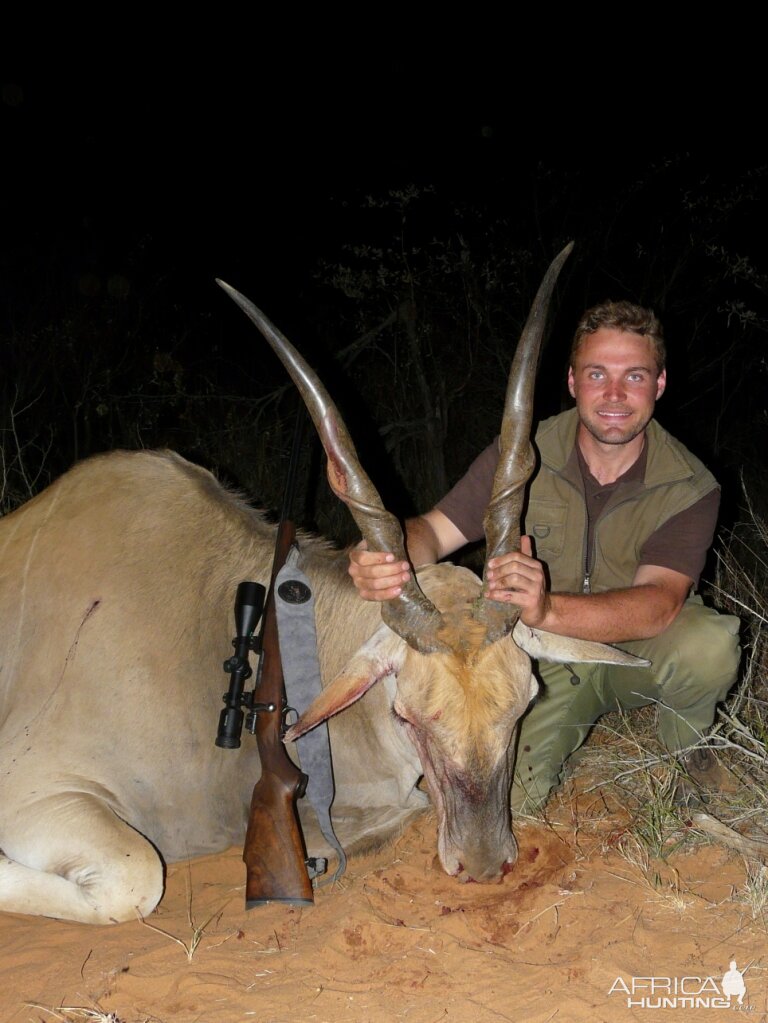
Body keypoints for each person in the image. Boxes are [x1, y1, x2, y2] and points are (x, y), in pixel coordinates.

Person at [348, 300, 741, 811]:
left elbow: (659, 605)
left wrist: (547, 608)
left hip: (634, 653)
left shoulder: (690, 483)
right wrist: (386, 555)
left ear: (659, 385)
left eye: (635, 376)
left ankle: (687, 749)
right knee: (514, 801)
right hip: (538, 654)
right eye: (597, 373)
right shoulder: (519, 454)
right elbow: (432, 532)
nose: (615, 394)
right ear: (573, 382)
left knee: (707, 646)